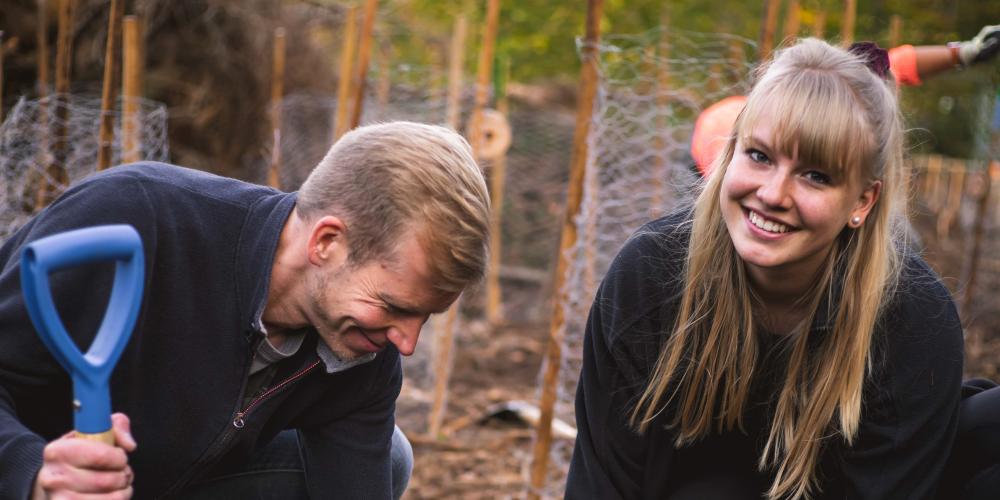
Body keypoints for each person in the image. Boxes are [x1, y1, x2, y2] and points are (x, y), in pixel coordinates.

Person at [566, 38, 997, 499]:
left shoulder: (913, 317)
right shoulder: (651, 274)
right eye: (760, 156)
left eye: (816, 175)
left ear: (863, 200)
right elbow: (602, 482)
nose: (773, 194)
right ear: (728, 153)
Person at [0, 121, 491, 499]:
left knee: (388, 459)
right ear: (327, 242)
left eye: (424, 317)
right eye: (394, 307)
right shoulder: (137, 220)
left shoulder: (363, 353)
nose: (406, 343)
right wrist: (34, 471)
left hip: (172, 483)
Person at [692, 24, 1000, 177]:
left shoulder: (832, 98)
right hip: (703, 165)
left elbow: (896, 65)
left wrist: (963, 52)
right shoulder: (729, 139)